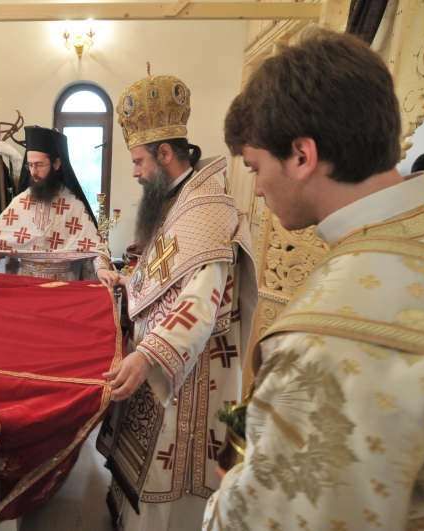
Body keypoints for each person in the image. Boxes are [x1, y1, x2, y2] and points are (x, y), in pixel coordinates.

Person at [204, 29, 424, 530]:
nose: (257, 190)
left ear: (302, 156)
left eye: (256, 168)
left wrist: (231, 488)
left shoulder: (326, 341)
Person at [96, 71, 257, 531]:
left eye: (139, 160)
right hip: (155, 361)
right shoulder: (175, 201)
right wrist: (128, 280)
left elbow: (201, 301)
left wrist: (148, 354)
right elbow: (162, 275)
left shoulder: (207, 211)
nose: (134, 171)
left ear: (165, 154)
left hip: (185, 372)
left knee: (164, 480)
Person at [0, 125, 114, 282]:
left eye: (39, 165)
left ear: (56, 164)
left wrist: (101, 270)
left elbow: (95, 247)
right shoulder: (21, 202)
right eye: (30, 165)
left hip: (64, 285)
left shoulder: (73, 205)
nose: (33, 172)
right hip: (26, 283)